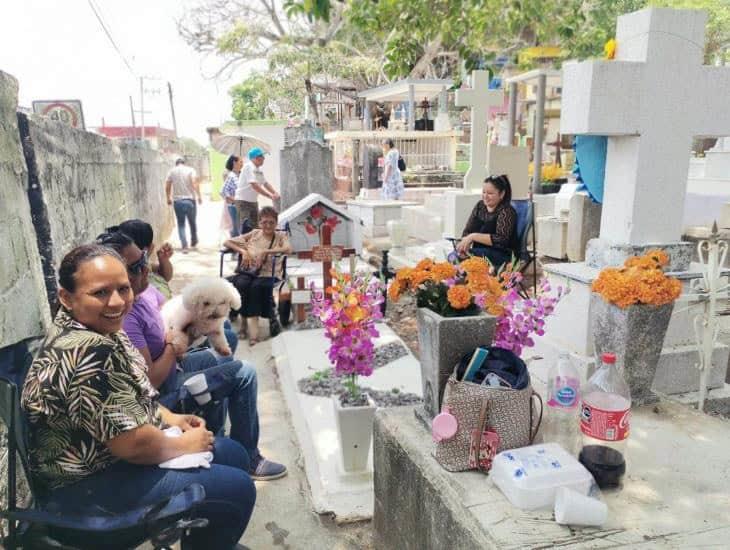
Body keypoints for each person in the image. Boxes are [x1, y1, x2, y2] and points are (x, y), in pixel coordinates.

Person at [21, 244, 255, 549]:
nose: (117, 302)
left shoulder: (101, 329)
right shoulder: (91, 351)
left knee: (233, 454)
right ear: (67, 298)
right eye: (100, 293)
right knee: (238, 489)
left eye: (123, 288)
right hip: (86, 490)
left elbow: (129, 396)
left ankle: (210, 540)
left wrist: (170, 417)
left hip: (111, 457)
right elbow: (134, 445)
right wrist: (183, 444)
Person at [96, 231, 287, 481]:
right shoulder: (127, 317)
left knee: (216, 352)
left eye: (144, 259)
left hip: (175, 361)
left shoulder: (141, 295)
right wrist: (173, 344)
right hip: (165, 387)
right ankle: (247, 456)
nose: (145, 269)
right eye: (135, 267)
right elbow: (150, 381)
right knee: (244, 374)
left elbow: (171, 307)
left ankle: (219, 431)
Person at [225, 206, 292, 346]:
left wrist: (266, 252)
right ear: (260, 223)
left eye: (271, 222)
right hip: (249, 272)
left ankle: (253, 331)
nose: (268, 225)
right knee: (242, 284)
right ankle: (243, 324)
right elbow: (227, 242)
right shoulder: (255, 233)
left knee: (255, 287)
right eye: (264, 222)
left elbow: (288, 249)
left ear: (276, 223)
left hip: (269, 273)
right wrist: (243, 251)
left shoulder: (281, 236)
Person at [457, 174, 519, 270]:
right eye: (483, 192)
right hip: (479, 251)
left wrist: (473, 237)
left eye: (490, 193)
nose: (485, 196)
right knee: (455, 255)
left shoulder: (507, 211)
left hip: (501, 254)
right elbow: (468, 231)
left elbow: (501, 240)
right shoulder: (480, 206)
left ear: (501, 194)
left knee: (466, 260)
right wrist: (465, 244)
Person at [111, 218, 174, 299]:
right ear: (149, 247)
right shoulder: (123, 272)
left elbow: (165, 276)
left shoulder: (146, 266)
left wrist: (164, 260)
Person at [235, 147, 280, 229]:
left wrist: (274, 192)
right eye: (262, 157)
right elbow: (254, 185)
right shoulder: (248, 167)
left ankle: (254, 241)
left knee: (256, 226)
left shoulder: (258, 170)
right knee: (246, 227)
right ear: (256, 158)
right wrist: (270, 196)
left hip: (253, 202)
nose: (264, 159)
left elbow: (265, 183)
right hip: (243, 202)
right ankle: (245, 242)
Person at [165, 157, 202, 253]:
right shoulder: (190, 170)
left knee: (181, 224)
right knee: (192, 222)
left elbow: (168, 185)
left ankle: (184, 246)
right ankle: (194, 241)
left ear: (176, 164)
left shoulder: (171, 171)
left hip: (178, 201)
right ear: (184, 163)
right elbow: (194, 183)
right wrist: (199, 196)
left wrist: (168, 197)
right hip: (190, 200)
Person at [222, 155, 242, 237]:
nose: (242, 164)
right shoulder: (229, 174)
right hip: (232, 203)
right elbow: (224, 191)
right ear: (234, 163)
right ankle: (233, 244)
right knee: (234, 226)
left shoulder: (238, 174)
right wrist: (234, 200)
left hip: (237, 204)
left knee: (236, 226)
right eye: (240, 162)